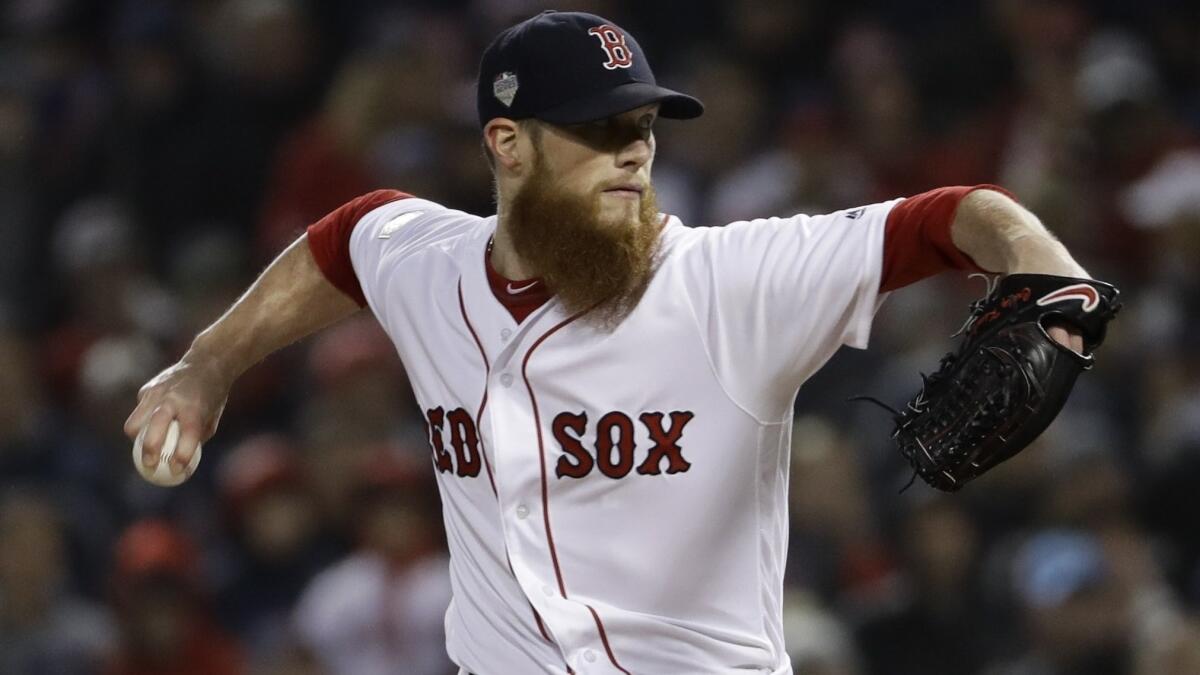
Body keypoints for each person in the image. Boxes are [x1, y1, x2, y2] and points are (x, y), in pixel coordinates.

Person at [125, 10, 1091, 674]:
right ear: (509, 146)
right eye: (598, 128)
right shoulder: (426, 263)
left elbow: (954, 215)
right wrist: (206, 364)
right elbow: (345, 241)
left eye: (643, 124)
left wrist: (1053, 279)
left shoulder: (727, 281)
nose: (634, 148)